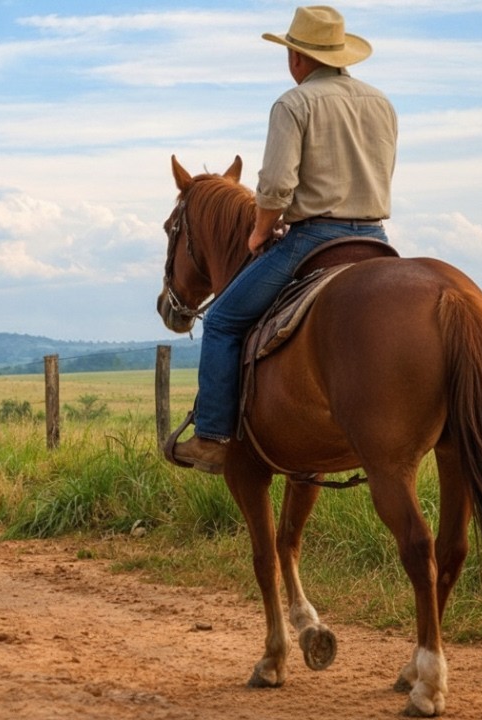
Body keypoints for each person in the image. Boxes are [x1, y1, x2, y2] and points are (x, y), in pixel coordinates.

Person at [170, 5, 397, 474]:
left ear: (297, 58)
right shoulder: (380, 103)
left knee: (222, 323)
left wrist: (257, 231)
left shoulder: (294, 104)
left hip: (313, 238)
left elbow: (275, 186)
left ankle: (211, 437)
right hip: (377, 238)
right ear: (340, 54)